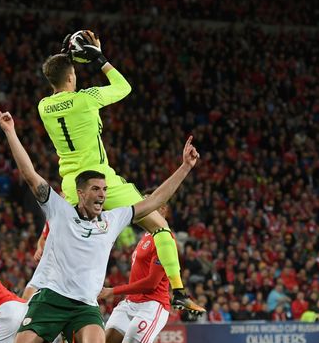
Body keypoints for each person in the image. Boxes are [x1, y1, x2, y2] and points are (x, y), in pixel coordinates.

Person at [0, 108, 199, 343]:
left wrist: (185, 167)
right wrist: (10, 132)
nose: (102, 196)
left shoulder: (112, 220)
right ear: (81, 192)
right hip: (51, 300)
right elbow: (29, 173)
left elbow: (155, 200)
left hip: (84, 306)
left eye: (104, 190)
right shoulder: (59, 210)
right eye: (96, 190)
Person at [37, 30, 204, 315]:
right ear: (71, 77)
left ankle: (58, 318)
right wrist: (98, 57)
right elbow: (123, 86)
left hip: (70, 185)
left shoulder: (44, 107)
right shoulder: (86, 99)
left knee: (74, 251)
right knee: (160, 227)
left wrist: (70, 56)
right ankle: (178, 290)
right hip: (101, 182)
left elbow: (61, 75)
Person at [97, 199, 190, 343]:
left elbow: (150, 282)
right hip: (131, 302)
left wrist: (114, 290)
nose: (145, 212)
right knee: (107, 342)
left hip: (152, 305)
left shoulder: (166, 239)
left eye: (152, 207)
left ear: (163, 210)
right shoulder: (145, 238)